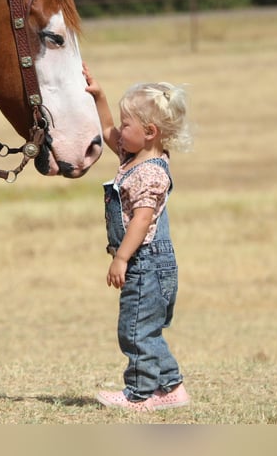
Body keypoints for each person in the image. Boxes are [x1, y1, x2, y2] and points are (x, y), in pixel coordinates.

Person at [84, 63, 193, 412]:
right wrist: (99, 95)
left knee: (134, 331)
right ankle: (172, 388)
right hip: (148, 263)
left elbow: (142, 221)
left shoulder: (149, 172)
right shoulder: (134, 155)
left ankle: (140, 394)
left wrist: (121, 258)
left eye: (126, 123)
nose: (120, 128)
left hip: (146, 262)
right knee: (147, 330)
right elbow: (105, 130)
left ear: (148, 131)